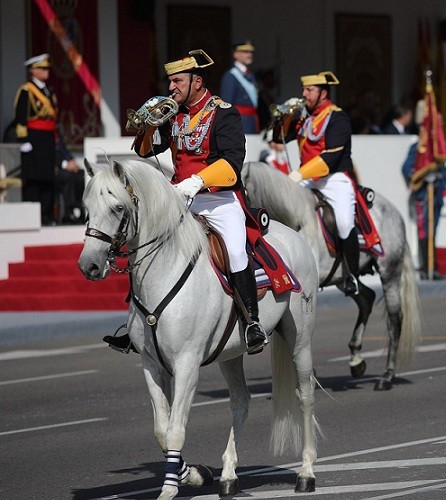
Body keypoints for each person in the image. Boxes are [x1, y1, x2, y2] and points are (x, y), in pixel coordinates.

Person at [106, 49, 267, 355]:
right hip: (181, 197)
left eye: (178, 81)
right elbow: (145, 150)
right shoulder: (174, 113)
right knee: (146, 244)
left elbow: (233, 164)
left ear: (197, 82)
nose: (171, 87)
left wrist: (195, 183)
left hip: (218, 197)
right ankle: (135, 326)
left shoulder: (224, 112)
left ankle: (252, 322)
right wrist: (150, 125)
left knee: (234, 248)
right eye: (170, 82)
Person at [276, 71, 362, 295]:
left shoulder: (337, 117)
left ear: (323, 93)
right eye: (304, 90)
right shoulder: (305, 118)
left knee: (343, 222)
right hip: (309, 179)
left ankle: (353, 275)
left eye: (309, 90)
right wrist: (284, 116)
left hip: (334, 179)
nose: (304, 94)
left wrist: (300, 174)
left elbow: (332, 155)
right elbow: (278, 138)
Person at [13, 53, 59, 226]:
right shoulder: (27, 90)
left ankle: (47, 216)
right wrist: (23, 140)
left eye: (47, 68)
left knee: (48, 178)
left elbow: (53, 118)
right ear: (34, 71)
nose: (47, 71)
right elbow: (20, 116)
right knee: (34, 178)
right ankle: (32, 217)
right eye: (43, 68)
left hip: (47, 138)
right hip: (33, 139)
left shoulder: (49, 90)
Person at [402, 140, 446, 280]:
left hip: (436, 196)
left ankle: (433, 267)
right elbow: (406, 168)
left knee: (433, 231)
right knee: (424, 230)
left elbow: (441, 168)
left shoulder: (437, 146)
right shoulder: (418, 147)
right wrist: (422, 177)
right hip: (424, 196)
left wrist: (440, 178)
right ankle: (426, 267)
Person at [219, 40, 259, 133]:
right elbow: (226, 104)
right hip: (239, 122)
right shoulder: (230, 76)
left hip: (252, 120)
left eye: (250, 52)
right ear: (236, 54)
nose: (249, 55)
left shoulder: (250, 75)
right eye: (245, 52)